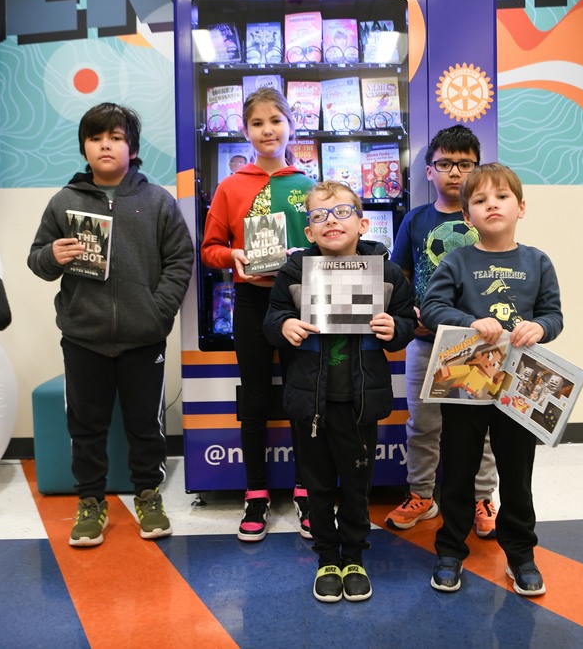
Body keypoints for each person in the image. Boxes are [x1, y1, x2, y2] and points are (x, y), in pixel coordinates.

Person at [28, 102, 193, 547]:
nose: (106, 144)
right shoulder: (64, 201)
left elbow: (181, 259)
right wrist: (51, 257)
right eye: (97, 137)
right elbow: (37, 259)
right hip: (84, 338)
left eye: (116, 137)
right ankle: (90, 501)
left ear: (131, 147)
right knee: (86, 425)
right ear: (85, 146)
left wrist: (158, 312)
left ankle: (148, 495)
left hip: (144, 337)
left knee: (145, 424)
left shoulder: (157, 200)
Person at [263, 181, 416, 602]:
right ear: (308, 232)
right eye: (319, 216)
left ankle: (355, 555)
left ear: (364, 223)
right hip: (309, 398)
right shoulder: (295, 270)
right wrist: (283, 326)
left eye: (343, 212)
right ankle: (327, 556)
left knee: (356, 483)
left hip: (359, 400)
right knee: (317, 485)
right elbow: (272, 317)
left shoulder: (384, 272)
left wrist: (395, 329)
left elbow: (405, 321)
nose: (331, 221)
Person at [422, 162, 563, 596]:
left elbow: (553, 315)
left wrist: (539, 328)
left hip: (519, 384)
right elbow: (431, 308)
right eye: (479, 201)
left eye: (501, 197)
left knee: (517, 476)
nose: (491, 205)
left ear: (521, 207)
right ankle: (450, 550)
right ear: (467, 217)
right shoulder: (456, 259)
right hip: (466, 378)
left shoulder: (538, 261)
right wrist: (470, 321)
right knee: (459, 472)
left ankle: (520, 554)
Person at [200, 87, 316, 542]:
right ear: (245, 131)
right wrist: (235, 255)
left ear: (291, 125)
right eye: (257, 123)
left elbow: (330, 243)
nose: (267, 130)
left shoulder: (308, 186)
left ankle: (307, 490)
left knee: (301, 395)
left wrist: (307, 253)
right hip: (250, 303)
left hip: (299, 303)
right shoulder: (231, 187)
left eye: (276, 120)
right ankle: (256, 492)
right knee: (253, 398)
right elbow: (208, 250)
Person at [385, 125, 500, 538]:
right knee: (423, 424)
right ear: (429, 171)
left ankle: (482, 498)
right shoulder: (416, 220)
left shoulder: (486, 218)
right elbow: (398, 275)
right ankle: (421, 494)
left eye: (464, 164)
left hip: (478, 343)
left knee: (480, 427)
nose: (454, 172)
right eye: (445, 164)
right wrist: (407, 313)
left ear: (476, 168)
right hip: (424, 340)